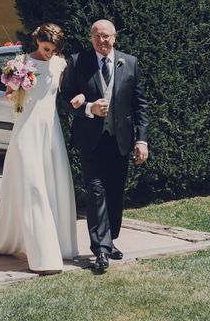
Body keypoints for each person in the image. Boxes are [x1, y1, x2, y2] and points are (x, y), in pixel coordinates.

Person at [0, 23, 83, 274]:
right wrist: (15, 90)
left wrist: (80, 98)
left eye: (53, 50)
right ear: (37, 42)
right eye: (45, 48)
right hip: (25, 129)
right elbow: (9, 97)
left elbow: (65, 94)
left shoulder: (60, 64)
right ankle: (43, 255)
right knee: (31, 185)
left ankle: (59, 243)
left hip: (50, 130)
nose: (48, 54)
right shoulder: (20, 63)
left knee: (52, 184)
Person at [59, 19, 149, 273]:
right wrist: (88, 107)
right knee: (96, 190)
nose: (102, 41)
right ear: (91, 38)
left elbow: (140, 105)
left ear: (115, 37)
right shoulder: (78, 62)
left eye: (106, 36)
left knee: (115, 192)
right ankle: (100, 249)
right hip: (90, 140)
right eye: (97, 36)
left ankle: (109, 241)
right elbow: (64, 101)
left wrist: (141, 139)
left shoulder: (129, 63)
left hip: (120, 140)